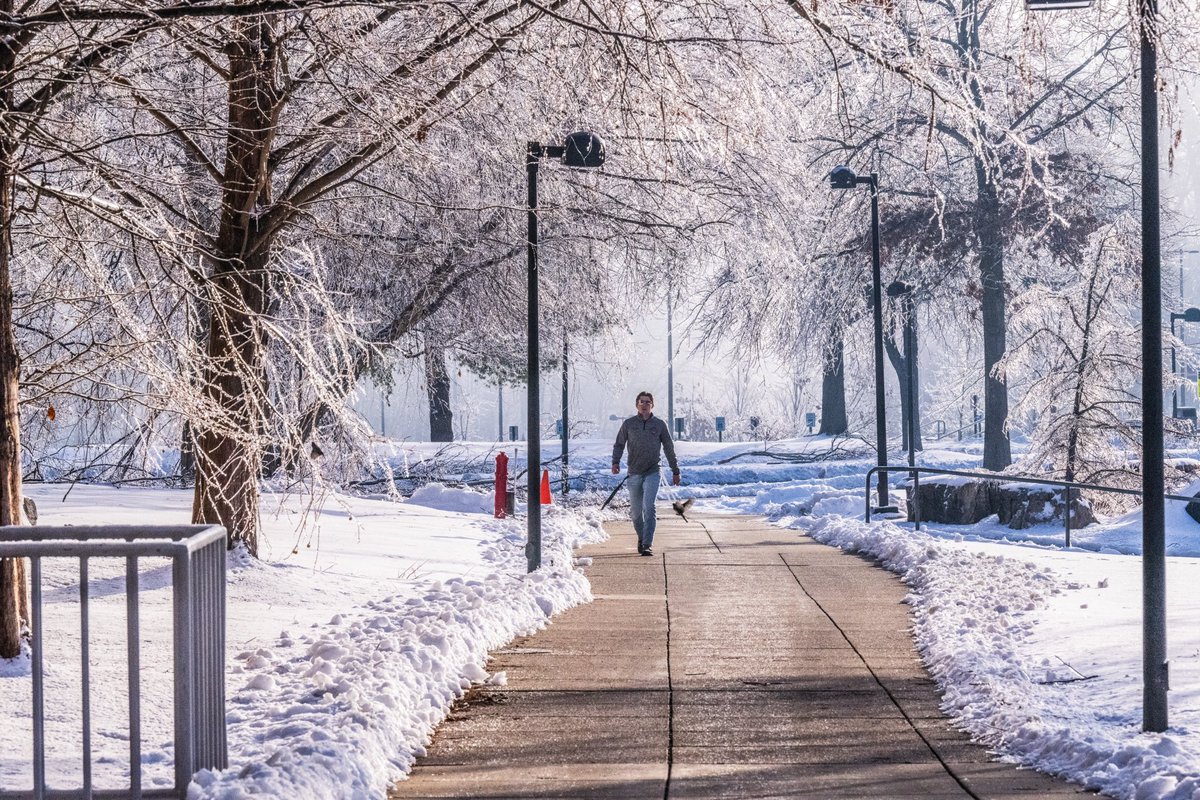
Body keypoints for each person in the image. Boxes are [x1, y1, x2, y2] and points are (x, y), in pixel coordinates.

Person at [611, 391, 681, 556]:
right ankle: (642, 538)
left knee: (649, 507)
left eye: (648, 402)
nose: (644, 404)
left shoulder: (659, 425)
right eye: (641, 402)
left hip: (653, 471)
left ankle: (647, 544)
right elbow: (619, 444)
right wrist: (615, 462)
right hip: (634, 472)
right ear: (637, 405)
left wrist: (675, 470)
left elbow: (669, 448)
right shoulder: (629, 424)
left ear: (652, 405)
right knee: (636, 513)